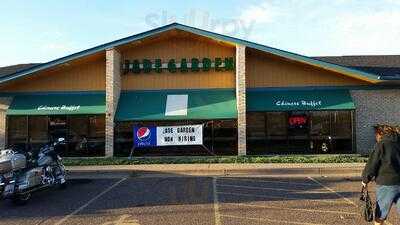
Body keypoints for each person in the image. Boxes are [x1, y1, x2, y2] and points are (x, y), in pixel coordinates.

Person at [362, 124, 400, 225]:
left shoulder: (382, 144)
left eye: (376, 135)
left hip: (386, 183)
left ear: (380, 133)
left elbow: (372, 164)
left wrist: (365, 179)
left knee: (380, 216)